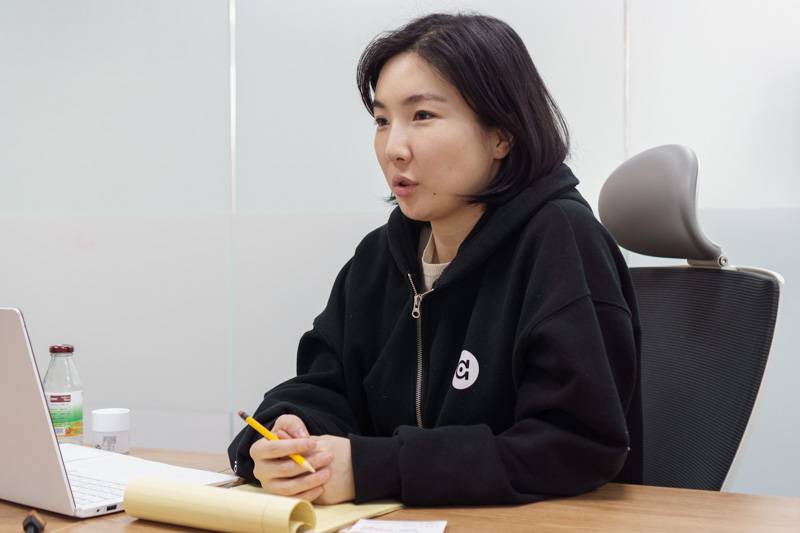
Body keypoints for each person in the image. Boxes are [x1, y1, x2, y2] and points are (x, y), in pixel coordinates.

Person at [228, 12, 642, 507]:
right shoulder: (380, 257)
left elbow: (574, 446)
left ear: (502, 134)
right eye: (382, 121)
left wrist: (373, 469)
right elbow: (324, 385)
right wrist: (285, 434)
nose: (393, 148)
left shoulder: (560, 241)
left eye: (422, 116)